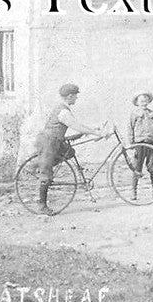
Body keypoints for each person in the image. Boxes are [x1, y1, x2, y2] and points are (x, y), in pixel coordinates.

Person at [35, 83, 106, 215]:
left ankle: (43, 167)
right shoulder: (63, 112)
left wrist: (92, 129)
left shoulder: (63, 109)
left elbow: (76, 126)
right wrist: (95, 133)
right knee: (46, 173)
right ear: (70, 96)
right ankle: (42, 205)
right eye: (75, 96)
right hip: (49, 142)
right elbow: (76, 126)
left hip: (56, 141)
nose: (76, 98)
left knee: (70, 152)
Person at [128, 91, 153, 200]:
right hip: (140, 143)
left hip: (151, 143)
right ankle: (134, 192)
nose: (144, 103)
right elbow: (130, 128)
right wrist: (131, 142)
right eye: (142, 101)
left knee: (152, 167)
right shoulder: (134, 114)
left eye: (146, 101)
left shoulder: (152, 114)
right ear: (137, 103)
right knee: (137, 167)